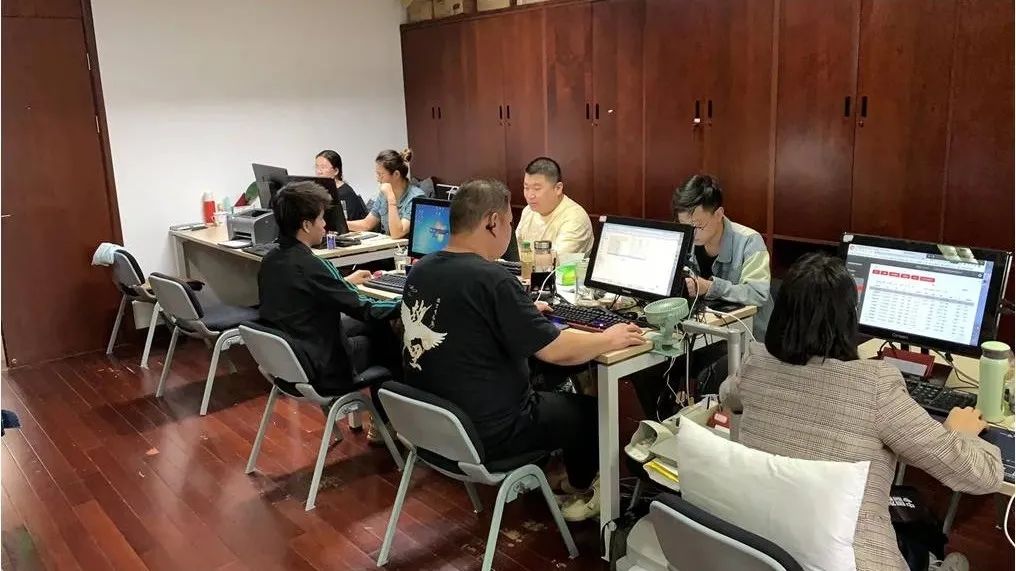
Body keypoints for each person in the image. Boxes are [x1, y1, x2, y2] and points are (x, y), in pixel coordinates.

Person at [720, 253, 1002, 571]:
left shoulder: (755, 363)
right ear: (848, 317)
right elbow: (983, 475)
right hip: (853, 558)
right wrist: (961, 433)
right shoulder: (875, 384)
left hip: (772, 548)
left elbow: (728, 395)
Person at [401, 178, 646, 521]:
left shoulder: (422, 269)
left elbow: (468, 318)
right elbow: (555, 349)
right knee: (588, 412)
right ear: (492, 222)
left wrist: (524, 311)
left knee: (547, 381)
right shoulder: (492, 279)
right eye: (509, 222)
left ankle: (555, 472)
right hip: (491, 432)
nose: (510, 231)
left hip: (435, 426)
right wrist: (610, 338)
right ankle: (580, 487)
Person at [258, 181, 403, 441]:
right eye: (322, 219)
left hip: (290, 362)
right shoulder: (311, 265)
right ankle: (385, 423)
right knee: (385, 334)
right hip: (324, 370)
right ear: (306, 225)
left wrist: (342, 284)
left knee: (369, 326)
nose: (325, 225)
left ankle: (383, 424)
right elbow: (366, 308)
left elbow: (307, 293)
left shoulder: (270, 259)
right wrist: (407, 302)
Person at [674, 174, 772, 339]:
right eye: (685, 226)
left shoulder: (749, 241)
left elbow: (758, 294)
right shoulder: (687, 239)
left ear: (719, 214)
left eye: (697, 225)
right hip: (703, 330)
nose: (692, 233)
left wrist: (710, 287)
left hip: (747, 336)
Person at [515, 157, 594, 257]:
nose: (530, 195)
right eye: (526, 188)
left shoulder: (575, 218)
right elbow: (515, 251)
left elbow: (556, 261)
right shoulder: (528, 211)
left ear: (558, 188)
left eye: (537, 188)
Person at [347, 148, 425, 239]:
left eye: (381, 174)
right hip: (391, 245)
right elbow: (366, 224)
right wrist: (339, 224)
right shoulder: (384, 194)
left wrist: (391, 198)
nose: (378, 179)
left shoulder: (417, 198)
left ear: (396, 174)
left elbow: (397, 233)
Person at [315, 149, 368, 221]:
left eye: (323, 167)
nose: (318, 171)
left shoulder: (345, 193)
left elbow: (345, 221)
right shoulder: (319, 190)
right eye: (317, 167)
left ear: (336, 171)